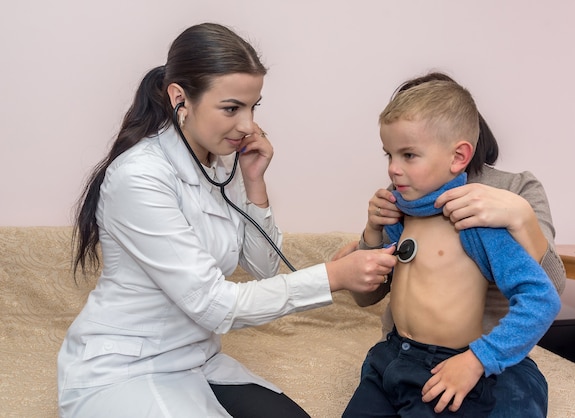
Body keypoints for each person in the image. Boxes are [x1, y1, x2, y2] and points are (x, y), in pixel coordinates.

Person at [58, 22, 397, 418]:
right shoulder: (139, 177)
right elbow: (213, 307)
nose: (248, 125)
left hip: (197, 361)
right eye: (232, 108)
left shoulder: (221, 164)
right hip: (126, 368)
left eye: (253, 107)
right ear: (179, 98)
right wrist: (334, 277)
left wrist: (255, 182)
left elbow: (264, 267)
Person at [334, 71, 566, 418]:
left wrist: (521, 217)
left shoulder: (494, 205)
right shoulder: (405, 203)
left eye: (409, 154)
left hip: (470, 354)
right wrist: (369, 238)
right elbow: (367, 292)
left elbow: (545, 292)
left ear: (457, 153)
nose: (394, 169)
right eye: (390, 155)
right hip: (396, 352)